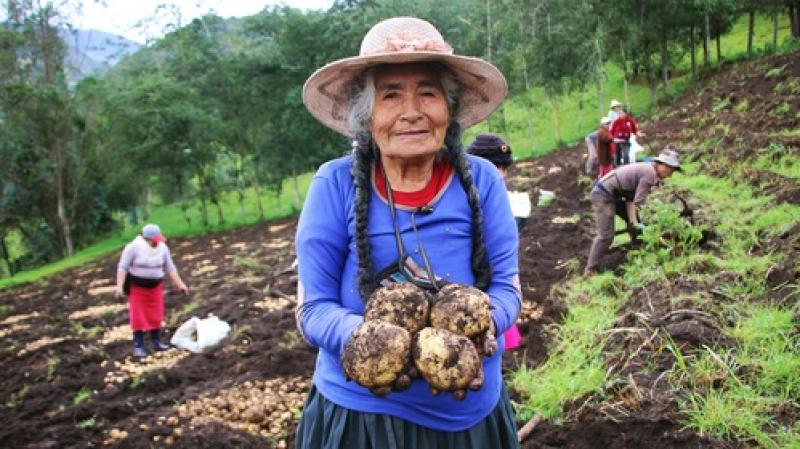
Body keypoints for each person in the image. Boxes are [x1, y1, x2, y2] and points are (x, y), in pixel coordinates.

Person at [295, 16, 521, 449]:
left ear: (449, 111)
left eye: (428, 94)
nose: (412, 112)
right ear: (367, 117)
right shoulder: (335, 183)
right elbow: (313, 309)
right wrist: (378, 342)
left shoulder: (484, 181)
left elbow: (509, 288)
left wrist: (478, 325)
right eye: (391, 95)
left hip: (470, 416)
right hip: (363, 420)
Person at [466, 133, 526, 351]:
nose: (501, 173)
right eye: (495, 165)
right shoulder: (464, 194)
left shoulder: (495, 193)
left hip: (495, 295)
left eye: (503, 167)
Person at [584, 148, 682, 276]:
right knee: (606, 235)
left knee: (636, 224)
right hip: (603, 195)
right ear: (661, 164)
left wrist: (635, 221)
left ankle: (637, 248)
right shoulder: (650, 173)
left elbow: (632, 199)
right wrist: (653, 218)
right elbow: (640, 202)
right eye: (670, 170)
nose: (670, 174)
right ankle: (590, 269)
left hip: (616, 195)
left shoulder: (649, 169)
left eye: (673, 171)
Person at [115, 224, 189, 357]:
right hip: (138, 288)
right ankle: (139, 345)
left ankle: (157, 342)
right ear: (147, 239)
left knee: (156, 315)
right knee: (138, 316)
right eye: (154, 240)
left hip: (155, 288)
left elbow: (170, 268)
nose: (157, 242)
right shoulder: (133, 247)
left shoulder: (163, 248)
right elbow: (123, 267)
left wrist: (180, 284)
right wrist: (119, 287)